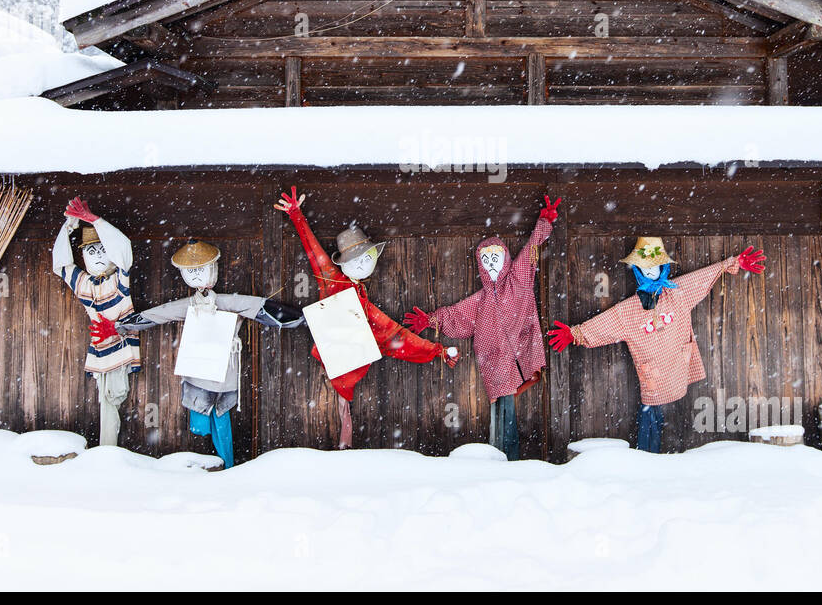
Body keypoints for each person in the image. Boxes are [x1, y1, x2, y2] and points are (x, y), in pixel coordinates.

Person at [92, 239, 303, 468]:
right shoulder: (190, 304)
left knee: (221, 420)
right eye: (190, 271)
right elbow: (161, 313)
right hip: (198, 369)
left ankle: (227, 465)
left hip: (223, 369)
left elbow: (261, 308)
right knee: (201, 422)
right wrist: (121, 326)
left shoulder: (228, 302)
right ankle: (209, 463)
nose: (195, 276)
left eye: (199, 270)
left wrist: (301, 318)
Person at [274, 186, 454, 448]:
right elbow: (314, 253)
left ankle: (344, 444)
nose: (363, 264)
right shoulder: (333, 281)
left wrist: (436, 350)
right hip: (337, 356)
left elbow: (394, 334)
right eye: (356, 260)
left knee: (344, 406)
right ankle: (343, 444)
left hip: (349, 354)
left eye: (366, 258)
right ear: (343, 264)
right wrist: (296, 215)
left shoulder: (362, 299)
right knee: (339, 406)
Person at [548, 237, 766, 452]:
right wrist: (576, 333)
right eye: (645, 267)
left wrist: (730, 264)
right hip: (653, 378)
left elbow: (701, 278)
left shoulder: (677, 293)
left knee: (676, 419)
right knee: (651, 417)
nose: (650, 271)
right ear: (637, 271)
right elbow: (607, 322)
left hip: (679, 369)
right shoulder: (630, 310)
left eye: (654, 266)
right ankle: (647, 456)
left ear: (663, 267)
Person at [403, 195, 561, 460]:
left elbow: (532, 246)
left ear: (506, 259)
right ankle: (500, 456)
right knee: (500, 411)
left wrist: (544, 223)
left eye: (496, 260)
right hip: (495, 363)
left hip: (522, 350)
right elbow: (457, 315)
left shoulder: (518, 280)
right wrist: (432, 319)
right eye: (486, 262)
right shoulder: (481, 300)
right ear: (480, 265)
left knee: (509, 410)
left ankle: (509, 456)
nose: (492, 266)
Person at [52, 197, 140, 447]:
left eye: (102, 250)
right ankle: (107, 448)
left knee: (113, 398)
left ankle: (108, 449)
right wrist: (68, 226)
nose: (98, 257)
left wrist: (96, 222)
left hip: (121, 345)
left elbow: (123, 253)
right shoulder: (84, 284)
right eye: (92, 251)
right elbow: (61, 265)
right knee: (106, 400)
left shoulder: (119, 280)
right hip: (99, 348)